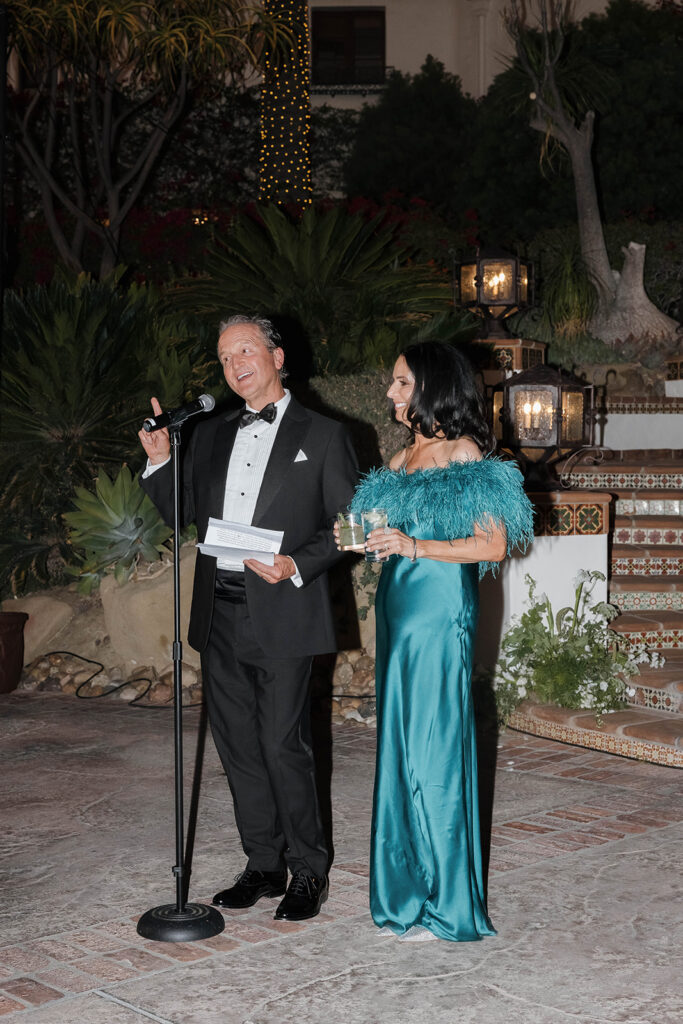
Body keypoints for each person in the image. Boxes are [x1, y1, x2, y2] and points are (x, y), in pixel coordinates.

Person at [139, 314, 359, 922]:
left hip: (285, 606)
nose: (235, 363)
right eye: (225, 355)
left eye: (246, 350)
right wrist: (160, 463)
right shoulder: (208, 433)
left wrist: (295, 562)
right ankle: (263, 862)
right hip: (220, 610)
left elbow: (349, 525)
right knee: (236, 745)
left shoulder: (325, 433)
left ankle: (309, 870)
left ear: (277, 355)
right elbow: (184, 513)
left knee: (282, 743)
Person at [345, 341, 534, 942]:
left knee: (435, 748)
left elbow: (494, 545)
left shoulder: (463, 452)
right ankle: (402, 898)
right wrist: (362, 537)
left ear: (431, 386)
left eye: (401, 383)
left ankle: (447, 903)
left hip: (440, 610)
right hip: (398, 611)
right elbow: (382, 532)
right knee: (399, 748)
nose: (392, 394)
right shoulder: (400, 460)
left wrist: (415, 545)